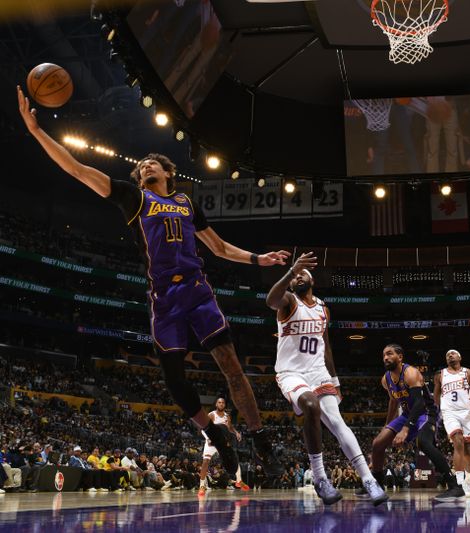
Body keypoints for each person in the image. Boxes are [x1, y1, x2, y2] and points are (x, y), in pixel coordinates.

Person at [17, 86, 288, 477]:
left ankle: (262, 441)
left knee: (231, 365)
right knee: (174, 382)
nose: (145, 166)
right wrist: (36, 131)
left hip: (197, 290)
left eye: (151, 164)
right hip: (164, 298)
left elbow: (217, 246)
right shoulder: (133, 199)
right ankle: (214, 433)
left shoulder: (185, 203)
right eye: (141, 164)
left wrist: (256, 259)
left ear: (168, 172)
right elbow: (77, 169)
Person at [265, 256, 388, 506]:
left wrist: (335, 380)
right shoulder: (288, 302)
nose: (298, 277)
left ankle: (368, 480)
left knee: (337, 422)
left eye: (302, 274)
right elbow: (270, 300)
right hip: (291, 373)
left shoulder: (323, 309)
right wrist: (291, 271)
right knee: (311, 406)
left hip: (318, 371)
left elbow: (326, 345)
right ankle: (320, 478)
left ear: (312, 280)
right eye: (295, 276)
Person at [366, 344, 463, 502]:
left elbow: (419, 403)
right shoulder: (386, 379)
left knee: (423, 442)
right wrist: (386, 426)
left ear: (400, 357)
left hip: (426, 412)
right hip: (407, 414)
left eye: (390, 354)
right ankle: (377, 485)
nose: (385, 358)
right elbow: (393, 402)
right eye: (383, 355)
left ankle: (454, 486)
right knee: (378, 443)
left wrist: (405, 429)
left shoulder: (410, 373)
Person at [432, 349, 470, 497]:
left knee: (468, 449)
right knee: (458, 441)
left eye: (453, 353)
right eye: (447, 354)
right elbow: (436, 397)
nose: (450, 355)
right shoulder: (440, 375)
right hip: (450, 413)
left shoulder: (469, 373)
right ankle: (459, 483)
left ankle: (468, 479)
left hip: (466, 413)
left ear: (460, 357)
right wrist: (439, 412)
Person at [198, 397, 249, 497]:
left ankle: (239, 481)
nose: (221, 404)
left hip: (222, 442)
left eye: (223, 403)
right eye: (219, 402)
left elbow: (230, 428)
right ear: (216, 404)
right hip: (212, 441)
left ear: (224, 405)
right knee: (205, 462)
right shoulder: (212, 415)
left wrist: (236, 432)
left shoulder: (227, 416)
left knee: (234, 460)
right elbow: (203, 428)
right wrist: (207, 438)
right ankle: (202, 486)